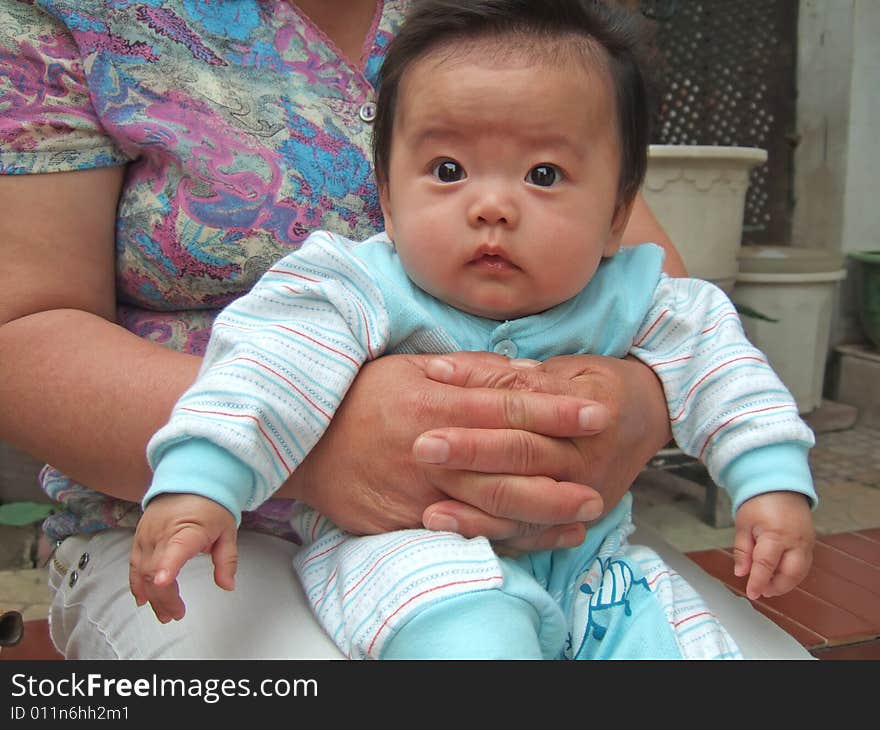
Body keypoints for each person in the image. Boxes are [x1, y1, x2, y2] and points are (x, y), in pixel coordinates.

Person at [0, 0, 700, 659]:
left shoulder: (532, 24)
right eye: (449, 170)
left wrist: (634, 406)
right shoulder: (74, 19)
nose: (493, 207)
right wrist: (302, 448)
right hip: (207, 532)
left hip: (558, 538)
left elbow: (660, 296)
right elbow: (22, 329)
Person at [130, 0, 817, 660]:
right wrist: (203, 481)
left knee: (677, 645)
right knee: (471, 634)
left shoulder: (637, 297)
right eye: (448, 170)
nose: (492, 205)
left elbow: (723, 368)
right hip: (407, 553)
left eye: (543, 174)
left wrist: (768, 479)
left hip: (587, 560)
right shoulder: (352, 287)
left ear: (616, 216)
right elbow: (261, 374)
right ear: (389, 203)